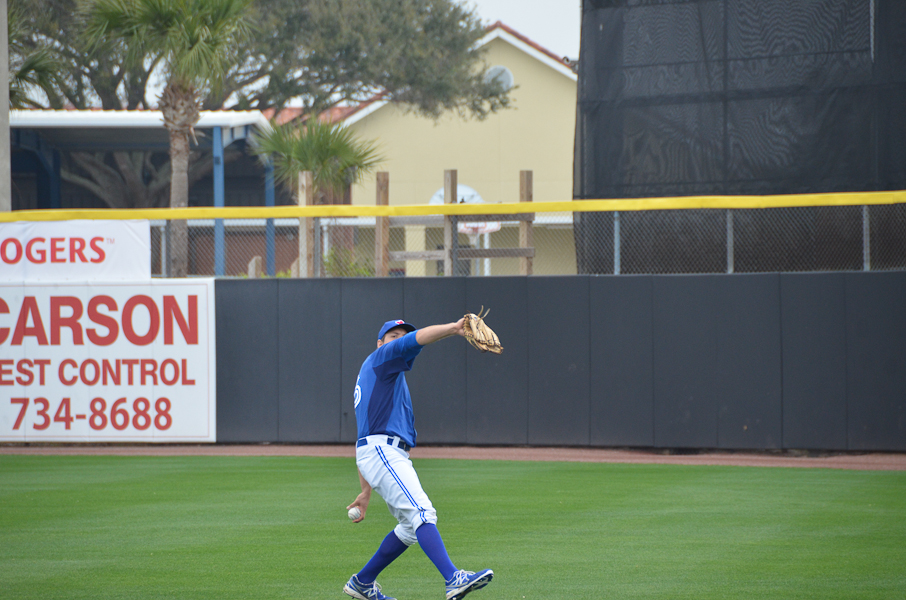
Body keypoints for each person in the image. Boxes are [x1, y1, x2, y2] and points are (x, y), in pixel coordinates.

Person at [344, 318, 494, 600]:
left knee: (408, 528)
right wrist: (455, 328)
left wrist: (365, 491)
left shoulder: (383, 376)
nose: (400, 339)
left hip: (381, 452)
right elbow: (420, 337)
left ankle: (362, 583)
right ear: (380, 343)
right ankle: (453, 579)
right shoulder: (382, 357)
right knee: (422, 513)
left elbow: (363, 435)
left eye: (403, 335)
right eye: (393, 335)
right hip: (383, 451)